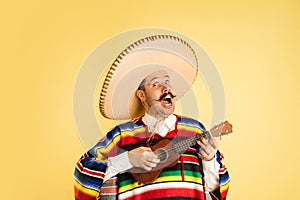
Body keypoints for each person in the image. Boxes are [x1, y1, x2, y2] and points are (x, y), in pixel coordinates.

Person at [74, 35, 230, 200]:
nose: (166, 88)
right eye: (156, 84)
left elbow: (215, 190)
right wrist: (127, 159)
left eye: (168, 82)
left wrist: (209, 160)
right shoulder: (121, 135)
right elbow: (83, 176)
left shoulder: (195, 130)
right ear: (141, 95)